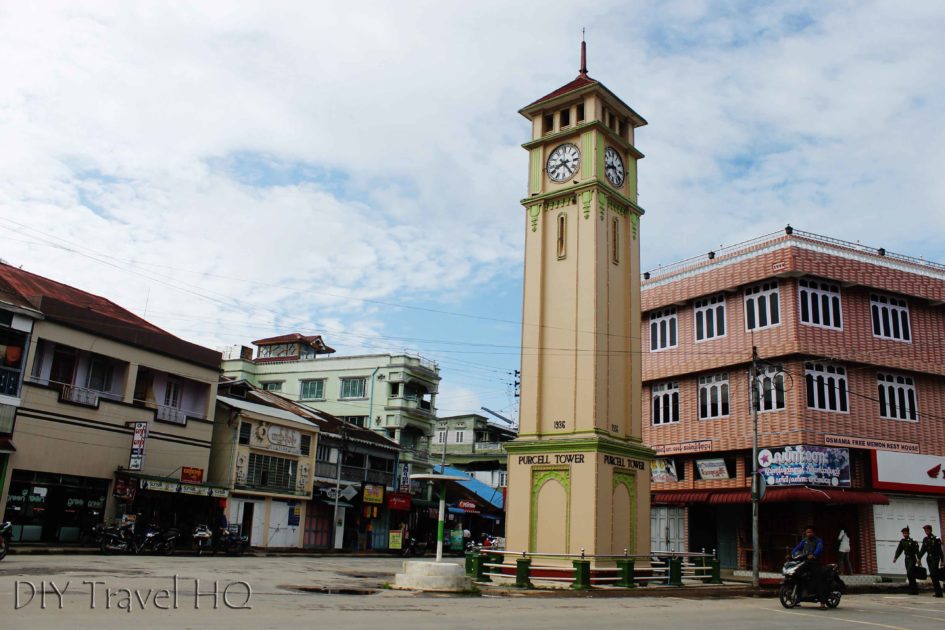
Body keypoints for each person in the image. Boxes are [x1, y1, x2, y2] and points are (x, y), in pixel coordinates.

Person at [791, 526, 827, 609]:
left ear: (814, 533)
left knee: (818, 580)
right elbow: (797, 548)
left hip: (815, 563)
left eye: (810, 532)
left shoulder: (818, 541)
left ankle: (822, 603)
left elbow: (819, 550)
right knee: (797, 575)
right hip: (805, 562)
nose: (809, 534)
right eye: (807, 532)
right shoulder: (804, 541)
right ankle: (797, 598)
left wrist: (814, 555)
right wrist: (792, 554)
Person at [918, 524, 944, 598]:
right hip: (929, 559)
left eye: (927, 530)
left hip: (935, 558)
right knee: (933, 575)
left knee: (933, 574)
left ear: (931, 530)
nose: (926, 531)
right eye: (925, 530)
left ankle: (939, 593)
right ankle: (938, 593)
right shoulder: (925, 539)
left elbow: (940, 550)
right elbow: (923, 549)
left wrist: (942, 560)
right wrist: (919, 558)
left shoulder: (936, 538)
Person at [893, 526, 920, 595]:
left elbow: (917, 551)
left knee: (909, 573)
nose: (904, 534)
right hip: (907, 559)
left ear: (908, 533)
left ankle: (912, 590)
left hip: (912, 558)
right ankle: (914, 590)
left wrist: (919, 559)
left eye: (906, 533)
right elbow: (899, 550)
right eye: (903, 533)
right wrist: (895, 557)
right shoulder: (902, 541)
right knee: (910, 575)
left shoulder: (913, 541)